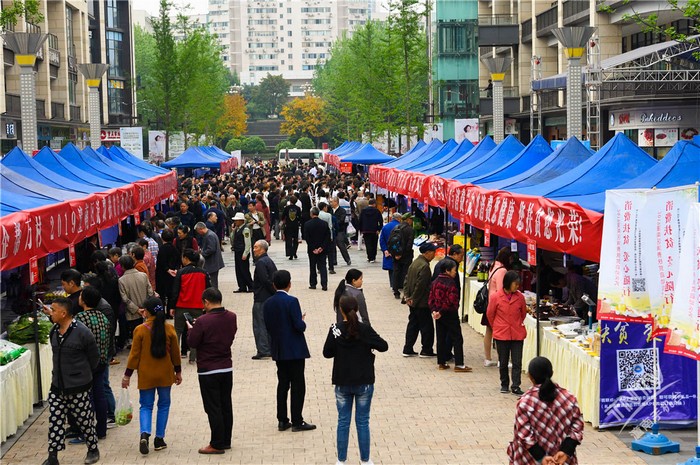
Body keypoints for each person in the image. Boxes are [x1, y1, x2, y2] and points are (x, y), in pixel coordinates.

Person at [323, 295, 388, 465]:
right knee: (363, 421)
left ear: (340, 310)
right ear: (357, 309)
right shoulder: (365, 329)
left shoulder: (335, 329)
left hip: (342, 380)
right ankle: (365, 460)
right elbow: (383, 345)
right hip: (364, 380)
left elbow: (327, 353)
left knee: (343, 421)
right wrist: (368, 344)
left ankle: (341, 460)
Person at [41, 298, 100, 465]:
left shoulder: (82, 332)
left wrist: (82, 375)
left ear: (63, 313)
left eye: (53, 310)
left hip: (78, 386)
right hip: (57, 386)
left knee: (84, 420)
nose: (50, 313)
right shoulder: (54, 331)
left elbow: (94, 358)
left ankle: (93, 449)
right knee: (55, 421)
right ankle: (53, 457)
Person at [122, 297, 181, 455]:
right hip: (165, 374)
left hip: (146, 375)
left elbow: (134, 355)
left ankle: (144, 434)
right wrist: (178, 372)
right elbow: (176, 353)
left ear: (147, 312)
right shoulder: (169, 329)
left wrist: (127, 376)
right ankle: (159, 439)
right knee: (163, 405)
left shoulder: (140, 330)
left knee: (146, 406)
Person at [263, 270, 316, 432]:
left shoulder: (268, 303)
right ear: (289, 284)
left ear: (273, 284)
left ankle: (282, 419)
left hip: (278, 348)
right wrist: (302, 321)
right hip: (294, 349)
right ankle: (297, 420)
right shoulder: (292, 301)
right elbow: (298, 326)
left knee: (283, 383)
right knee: (298, 384)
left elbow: (268, 326)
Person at [187, 288, 238, 454]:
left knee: (213, 407)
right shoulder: (232, 317)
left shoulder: (202, 321)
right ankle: (226, 440)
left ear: (206, 302)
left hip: (208, 369)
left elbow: (193, 342)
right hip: (226, 366)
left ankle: (216, 443)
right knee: (225, 404)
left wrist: (191, 329)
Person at [508, 357, 584, 465]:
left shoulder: (526, 402)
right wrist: (566, 451)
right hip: (562, 461)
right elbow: (577, 426)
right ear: (552, 373)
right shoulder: (569, 398)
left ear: (530, 376)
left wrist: (541, 458)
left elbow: (524, 435)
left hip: (530, 460)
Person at [75, 286, 111, 441]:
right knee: (99, 395)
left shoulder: (80, 319)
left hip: (85, 364)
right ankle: (101, 430)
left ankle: (86, 432)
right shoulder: (103, 317)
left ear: (84, 300)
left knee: (86, 398)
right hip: (101, 362)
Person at [487, 270, 528, 395]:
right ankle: (504, 384)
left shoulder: (520, 297)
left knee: (517, 361)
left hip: (517, 332)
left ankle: (516, 385)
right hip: (502, 333)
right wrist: (497, 326)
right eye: (515, 284)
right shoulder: (495, 297)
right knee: (503, 361)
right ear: (508, 283)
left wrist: (516, 322)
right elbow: (490, 314)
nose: (517, 286)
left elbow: (523, 313)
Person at [429, 260, 471, 373]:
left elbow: (431, 299)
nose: (455, 272)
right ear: (447, 270)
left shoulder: (435, 282)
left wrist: (435, 311)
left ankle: (441, 362)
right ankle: (459, 364)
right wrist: (441, 311)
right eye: (454, 270)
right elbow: (451, 301)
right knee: (457, 338)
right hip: (450, 314)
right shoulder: (451, 283)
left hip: (438, 315)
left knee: (440, 337)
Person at [170, 248, 211, 363]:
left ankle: (175, 357)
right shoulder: (203, 273)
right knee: (194, 331)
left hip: (181, 306)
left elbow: (175, 291)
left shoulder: (181, 273)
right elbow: (208, 290)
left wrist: (172, 307)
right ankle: (193, 358)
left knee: (177, 331)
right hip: (198, 306)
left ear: (186, 259)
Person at [402, 242, 437, 357]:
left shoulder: (414, 263)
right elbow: (421, 286)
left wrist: (407, 297)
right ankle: (426, 349)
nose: (434, 255)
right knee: (427, 327)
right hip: (421, 303)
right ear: (427, 253)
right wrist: (414, 299)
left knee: (413, 325)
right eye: (433, 253)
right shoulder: (424, 266)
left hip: (413, 302)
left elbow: (406, 281)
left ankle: (407, 348)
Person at [484, 247, 512, 367]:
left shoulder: (494, 265)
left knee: (489, 331)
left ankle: (488, 358)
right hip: (498, 304)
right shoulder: (502, 270)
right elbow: (502, 290)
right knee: (501, 333)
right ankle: (502, 360)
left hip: (490, 302)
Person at [118, 255, 154, 344]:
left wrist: (137, 309)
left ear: (122, 266)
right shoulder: (143, 275)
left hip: (132, 313)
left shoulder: (122, 280)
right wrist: (146, 308)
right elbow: (150, 292)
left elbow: (125, 299)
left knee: (136, 336)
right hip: (147, 311)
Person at [252, 240, 277, 360]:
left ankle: (263, 349)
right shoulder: (268, 261)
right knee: (268, 323)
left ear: (262, 249)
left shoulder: (261, 262)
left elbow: (265, 280)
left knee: (259, 324)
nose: (254, 249)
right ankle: (269, 347)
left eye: (256, 247)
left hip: (262, 297)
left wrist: (273, 291)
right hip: (268, 296)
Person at [303, 207, 331, 291]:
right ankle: (324, 284)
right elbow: (327, 237)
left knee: (312, 266)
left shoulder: (307, 224)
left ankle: (313, 283)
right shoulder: (324, 224)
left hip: (312, 250)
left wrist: (313, 248)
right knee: (323, 266)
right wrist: (321, 247)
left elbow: (307, 238)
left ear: (311, 214)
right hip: (322, 249)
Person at [154, 229, 180, 308]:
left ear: (162, 238)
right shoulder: (175, 248)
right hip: (173, 275)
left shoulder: (162, 249)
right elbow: (178, 261)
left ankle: (162, 312)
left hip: (161, 276)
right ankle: (170, 312)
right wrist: (175, 269)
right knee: (171, 295)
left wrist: (167, 270)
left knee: (161, 295)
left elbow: (161, 262)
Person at [195, 222, 225, 289]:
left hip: (212, 263)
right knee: (213, 281)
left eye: (198, 231)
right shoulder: (209, 234)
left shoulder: (209, 236)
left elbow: (211, 249)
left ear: (200, 229)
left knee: (212, 282)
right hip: (213, 263)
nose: (199, 233)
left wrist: (201, 254)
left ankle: (213, 296)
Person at [392, 213, 415, 300]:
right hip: (406, 256)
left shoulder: (396, 228)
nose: (412, 221)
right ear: (408, 220)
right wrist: (403, 254)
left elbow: (391, 242)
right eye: (411, 219)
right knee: (406, 273)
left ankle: (396, 291)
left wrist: (396, 254)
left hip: (396, 255)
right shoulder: (410, 230)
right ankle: (405, 292)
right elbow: (409, 245)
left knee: (396, 272)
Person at [230, 212, 254, 293]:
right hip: (237, 251)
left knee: (244, 270)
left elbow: (248, 243)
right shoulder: (237, 229)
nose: (235, 222)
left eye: (236, 220)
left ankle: (250, 286)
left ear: (241, 221)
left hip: (242, 252)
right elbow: (232, 238)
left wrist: (245, 253)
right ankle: (242, 286)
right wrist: (233, 231)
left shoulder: (245, 229)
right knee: (238, 270)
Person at [379, 213, 401, 292]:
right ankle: (398, 285)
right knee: (399, 268)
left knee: (391, 269)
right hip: (398, 251)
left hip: (388, 251)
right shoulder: (401, 227)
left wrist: (385, 250)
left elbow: (381, 240)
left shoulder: (385, 227)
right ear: (399, 218)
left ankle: (392, 284)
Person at [358, 199, 383, 263]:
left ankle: (369, 257)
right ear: (374, 204)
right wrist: (379, 229)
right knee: (374, 244)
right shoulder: (377, 211)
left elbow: (360, 220)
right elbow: (380, 221)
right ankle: (373, 257)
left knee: (368, 244)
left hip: (365, 230)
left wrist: (361, 229)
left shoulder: (363, 211)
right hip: (374, 230)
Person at [330, 196, 352, 267]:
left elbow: (341, 220)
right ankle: (334, 261)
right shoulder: (330, 210)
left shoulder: (342, 210)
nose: (330, 203)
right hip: (332, 231)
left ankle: (347, 259)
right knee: (332, 247)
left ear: (336, 202)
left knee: (341, 246)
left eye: (332, 202)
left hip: (339, 230)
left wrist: (334, 223)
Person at [281, 194, 302, 260]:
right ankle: (294, 252)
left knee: (289, 240)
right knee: (295, 239)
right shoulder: (298, 208)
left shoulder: (287, 208)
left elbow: (283, 216)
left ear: (290, 201)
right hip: (295, 225)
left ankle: (290, 254)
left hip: (288, 225)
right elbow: (300, 217)